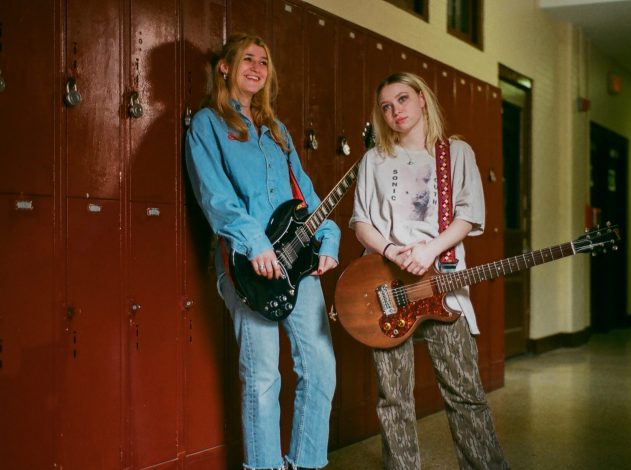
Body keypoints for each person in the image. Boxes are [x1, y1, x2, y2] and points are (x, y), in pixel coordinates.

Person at [185, 33, 340, 470]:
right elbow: (215, 197)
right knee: (263, 377)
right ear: (225, 67)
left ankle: (305, 464)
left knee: (320, 367)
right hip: (247, 265)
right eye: (248, 59)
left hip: (298, 262)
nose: (257, 68)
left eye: (264, 61)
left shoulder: (278, 131)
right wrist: (255, 243)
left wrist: (328, 239)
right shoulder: (208, 125)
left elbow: (305, 195)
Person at [349, 72, 509, 470]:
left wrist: (430, 251)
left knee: (464, 392)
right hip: (387, 287)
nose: (395, 111)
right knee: (393, 399)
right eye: (386, 106)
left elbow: (469, 216)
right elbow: (361, 222)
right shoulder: (373, 160)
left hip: (443, 286)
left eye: (402, 99)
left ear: (422, 99)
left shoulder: (456, 153)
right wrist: (391, 250)